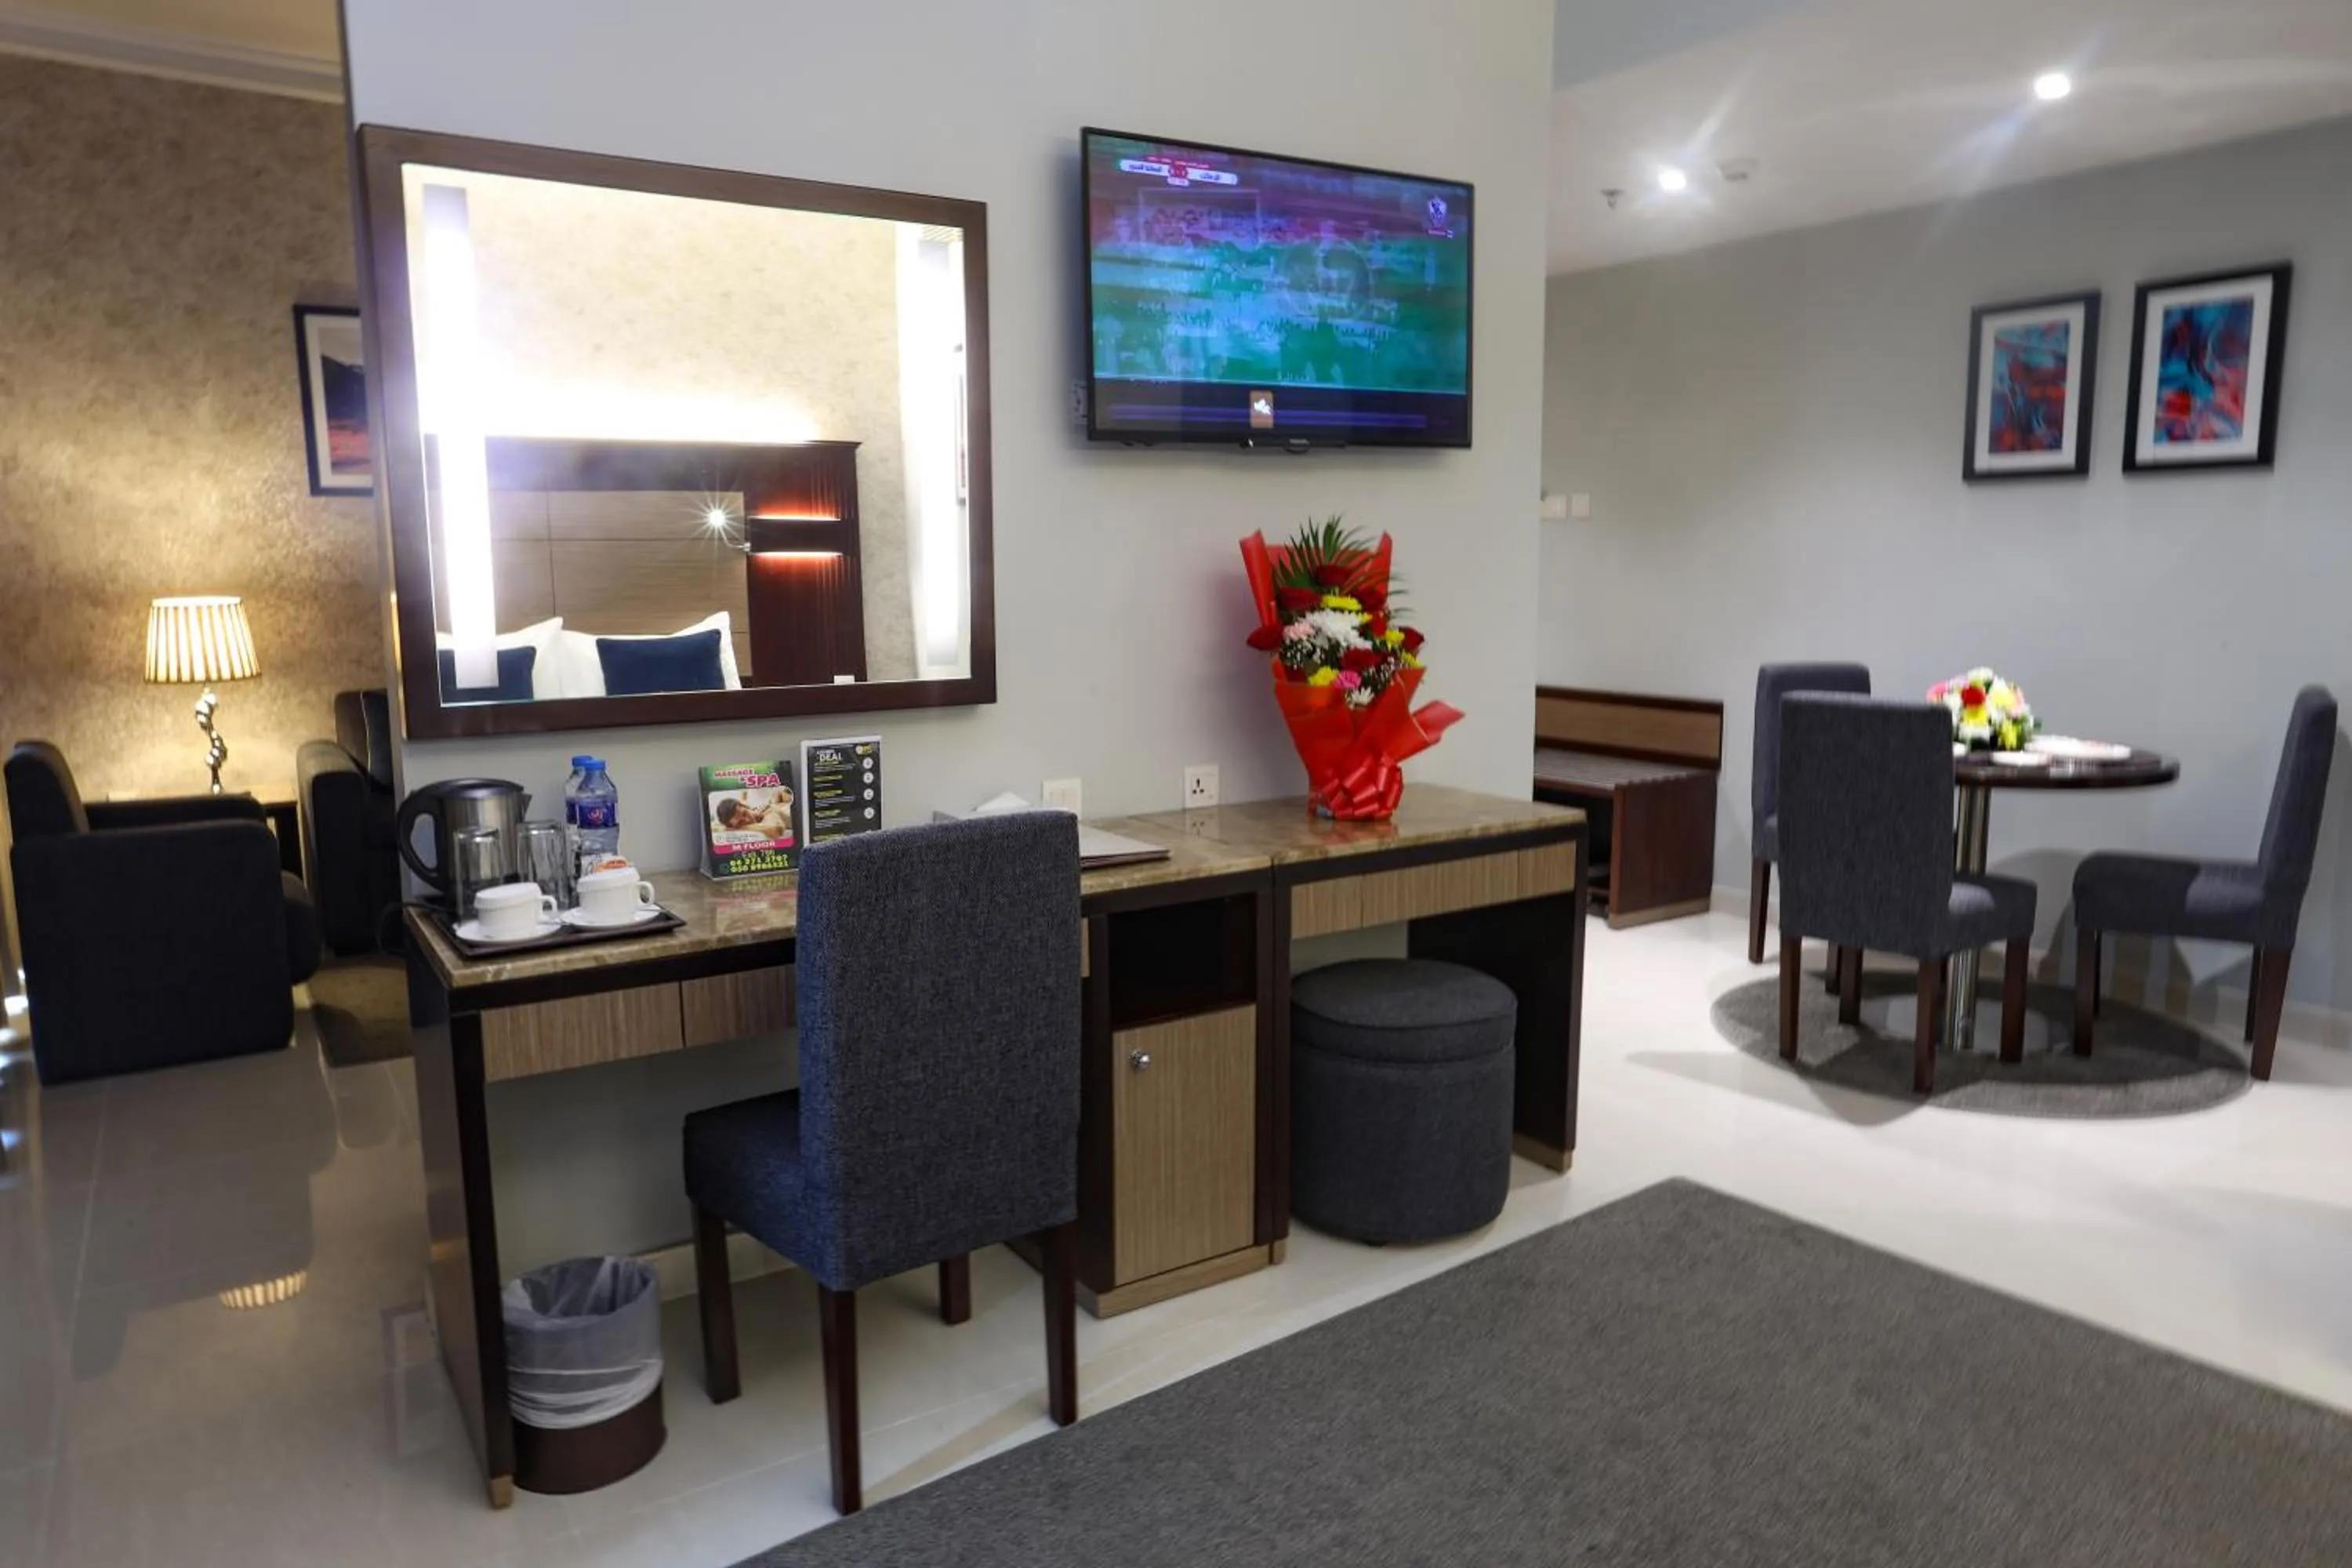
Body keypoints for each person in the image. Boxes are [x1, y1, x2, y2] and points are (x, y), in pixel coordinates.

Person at [713, 792, 793, 837]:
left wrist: (740, 826)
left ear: (746, 807)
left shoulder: (764, 811)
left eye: (744, 814)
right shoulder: (765, 815)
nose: (748, 820)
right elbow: (777, 830)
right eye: (740, 823)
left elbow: (777, 830)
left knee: (780, 795)